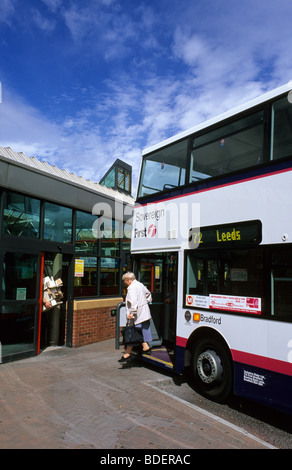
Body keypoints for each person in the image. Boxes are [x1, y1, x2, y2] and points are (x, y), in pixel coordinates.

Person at [119, 272, 152, 363]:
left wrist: (132, 313)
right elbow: (148, 294)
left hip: (137, 314)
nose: (124, 283)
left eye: (125, 281)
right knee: (137, 331)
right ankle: (130, 353)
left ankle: (130, 353)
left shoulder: (132, 288)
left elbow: (133, 301)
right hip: (144, 312)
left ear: (129, 280)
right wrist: (146, 302)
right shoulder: (140, 285)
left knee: (133, 332)